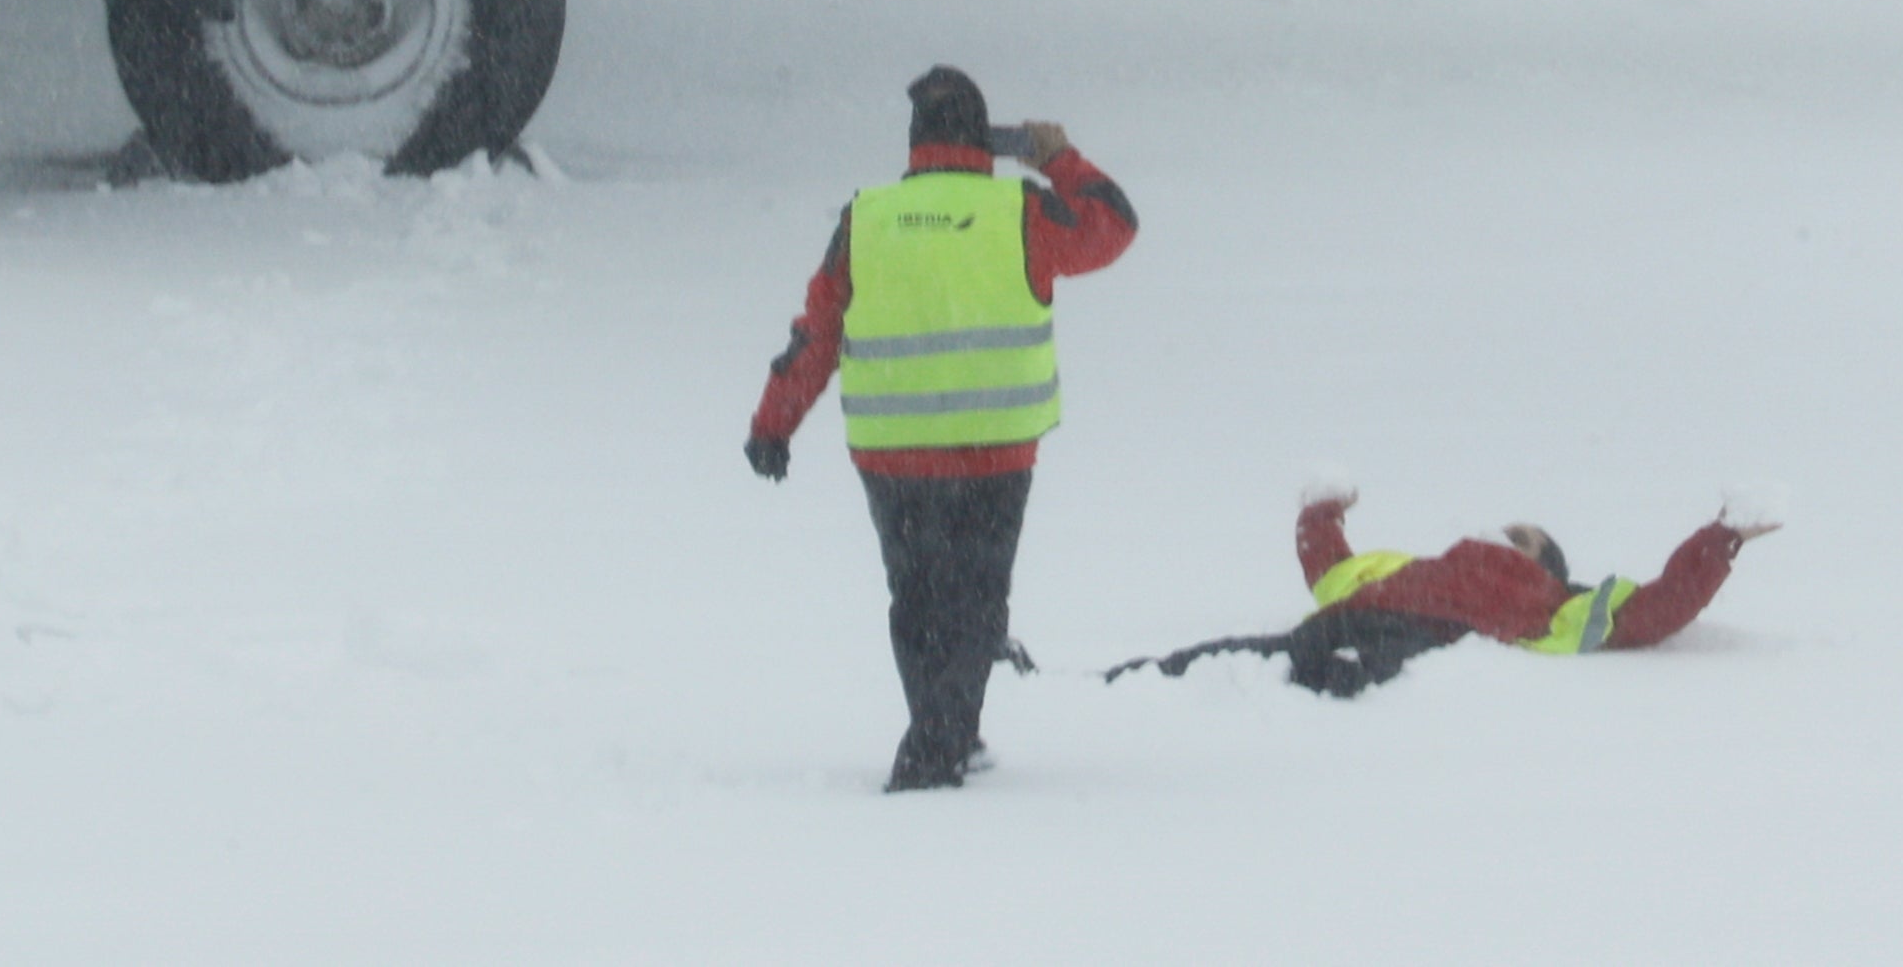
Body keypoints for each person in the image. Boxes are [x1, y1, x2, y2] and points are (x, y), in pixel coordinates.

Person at [745, 66, 1137, 791]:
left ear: (916, 142)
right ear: (985, 138)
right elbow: (1113, 227)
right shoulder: (1019, 212)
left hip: (895, 456)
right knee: (978, 597)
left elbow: (816, 335)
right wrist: (1057, 157)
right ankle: (938, 747)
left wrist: (774, 424)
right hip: (996, 452)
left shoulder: (866, 219)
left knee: (919, 598)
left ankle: (943, 733)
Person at [1106, 489, 1770, 696]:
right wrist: (1322, 509)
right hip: (1351, 618)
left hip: (1426, 637)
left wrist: (1724, 537)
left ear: (1548, 562)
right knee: (1235, 656)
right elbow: (1328, 566)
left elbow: (1657, 609)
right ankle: (1117, 682)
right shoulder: (1404, 564)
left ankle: (1328, 690)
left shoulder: (1563, 601)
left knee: (1354, 671)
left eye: (1527, 535)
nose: (1509, 532)